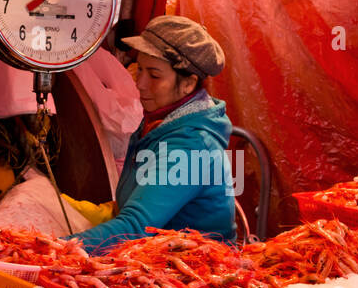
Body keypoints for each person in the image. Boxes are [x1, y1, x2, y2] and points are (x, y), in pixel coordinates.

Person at [67, 15, 237, 251]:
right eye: (140, 70)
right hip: (152, 254)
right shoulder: (158, 121)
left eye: (154, 75)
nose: (140, 83)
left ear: (188, 83)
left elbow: (136, 227)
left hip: (193, 272)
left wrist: (55, 249)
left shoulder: (192, 146)